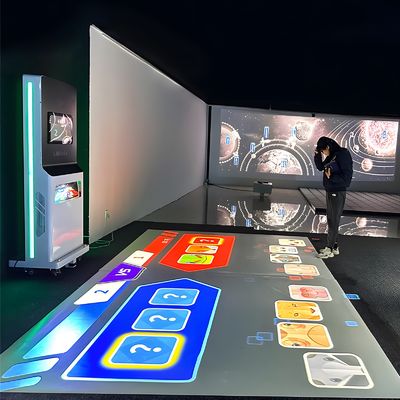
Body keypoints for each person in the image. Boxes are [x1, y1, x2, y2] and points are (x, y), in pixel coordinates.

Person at [314, 136, 353, 258]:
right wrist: (317, 155)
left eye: (323, 151)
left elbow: (347, 179)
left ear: (328, 147)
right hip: (330, 190)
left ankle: (329, 248)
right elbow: (320, 167)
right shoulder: (332, 155)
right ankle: (334, 246)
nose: (323, 153)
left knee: (333, 219)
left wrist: (332, 177)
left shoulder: (342, 155)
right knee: (332, 219)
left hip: (337, 191)